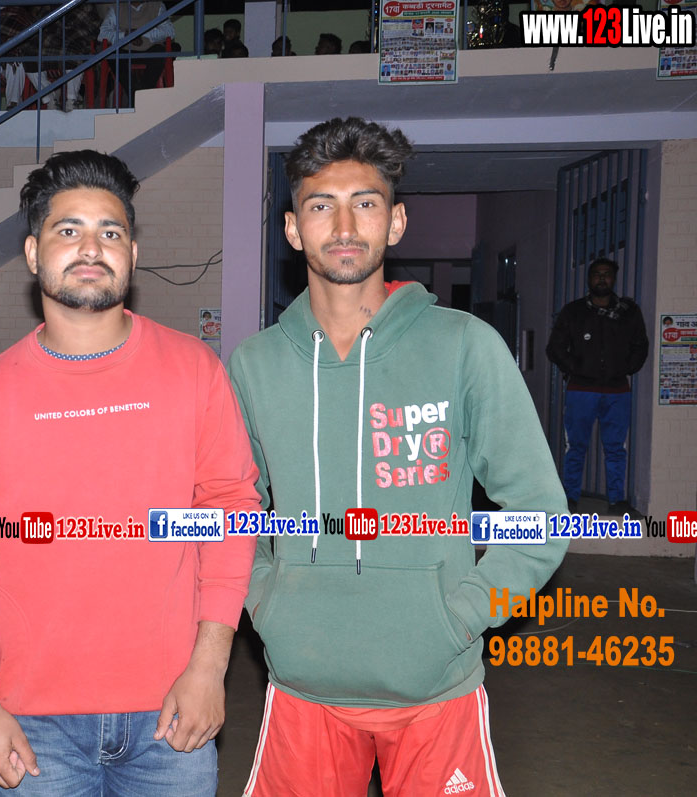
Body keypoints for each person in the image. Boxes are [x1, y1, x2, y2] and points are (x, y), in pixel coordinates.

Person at [229, 117, 568, 797]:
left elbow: (541, 516)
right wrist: (264, 601)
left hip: (436, 689)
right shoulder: (254, 364)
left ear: (397, 222)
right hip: (302, 687)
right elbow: (229, 509)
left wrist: (464, 615)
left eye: (366, 203)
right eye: (320, 206)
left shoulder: (464, 346)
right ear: (292, 229)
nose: (344, 225)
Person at [0, 150, 260, 795]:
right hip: (31, 726)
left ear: (133, 254)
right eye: (68, 230)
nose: (91, 247)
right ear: (33, 254)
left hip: (171, 715)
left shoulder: (194, 372)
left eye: (110, 232)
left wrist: (209, 667)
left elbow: (231, 516)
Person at [546, 257, 648, 515]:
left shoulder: (628, 313)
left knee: (616, 449)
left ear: (614, 279)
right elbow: (554, 348)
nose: (602, 278)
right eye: (597, 274)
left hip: (617, 391)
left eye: (607, 274)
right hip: (581, 390)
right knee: (575, 447)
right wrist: (578, 368)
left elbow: (641, 345)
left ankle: (617, 501)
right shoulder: (573, 312)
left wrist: (626, 368)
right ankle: (569, 499)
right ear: (589, 279)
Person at [97, 1, 177, 105]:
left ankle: (139, 95)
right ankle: (137, 96)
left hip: (150, 49)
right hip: (125, 49)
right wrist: (125, 35)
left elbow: (169, 31)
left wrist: (141, 33)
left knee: (160, 52)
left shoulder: (157, 6)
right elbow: (102, 34)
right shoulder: (117, 8)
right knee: (112, 55)